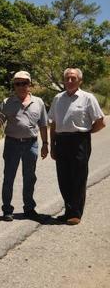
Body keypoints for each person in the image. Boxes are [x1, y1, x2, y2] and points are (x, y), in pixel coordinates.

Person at [48, 68, 105, 225]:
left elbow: (100, 122)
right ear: (64, 80)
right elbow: (53, 123)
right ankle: (68, 211)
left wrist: (85, 133)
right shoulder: (58, 98)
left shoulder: (88, 98)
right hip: (61, 141)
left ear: (80, 80)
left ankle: (75, 213)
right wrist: (52, 145)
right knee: (63, 178)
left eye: (73, 78)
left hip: (80, 141)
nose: (70, 81)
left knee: (78, 177)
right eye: (67, 78)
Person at [0, 71, 49, 221]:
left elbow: (43, 125)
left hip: (31, 144)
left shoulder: (39, 102)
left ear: (30, 84)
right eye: (18, 83)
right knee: (9, 177)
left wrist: (45, 144)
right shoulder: (7, 102)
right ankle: (7, 210)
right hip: (12, 144)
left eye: (24, 83)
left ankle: (29, 209)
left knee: (30, 177)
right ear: (14, 85)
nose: (21, 86)